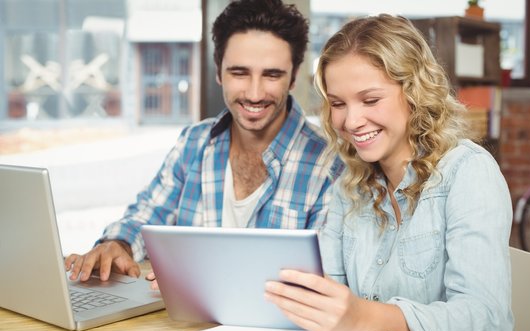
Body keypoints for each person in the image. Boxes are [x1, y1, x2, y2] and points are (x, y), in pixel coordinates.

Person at [264, 14, 516, 331]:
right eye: (338, 104)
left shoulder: (468, 172)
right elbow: (330, 295)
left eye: (370, 100)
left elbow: (483, 321)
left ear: (413, 91)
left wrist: (363, 317)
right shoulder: (348, 189)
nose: (351, 121)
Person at [65, 0, 342, 284]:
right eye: (239, 73)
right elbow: (146, 216)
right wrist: (117, 245)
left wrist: (198, 281)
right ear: (218, 71)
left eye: (272, 75)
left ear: (294, 77)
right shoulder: (194, 142)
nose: (255, 93)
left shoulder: (329, 164)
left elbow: (320, 283)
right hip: (186, 321)